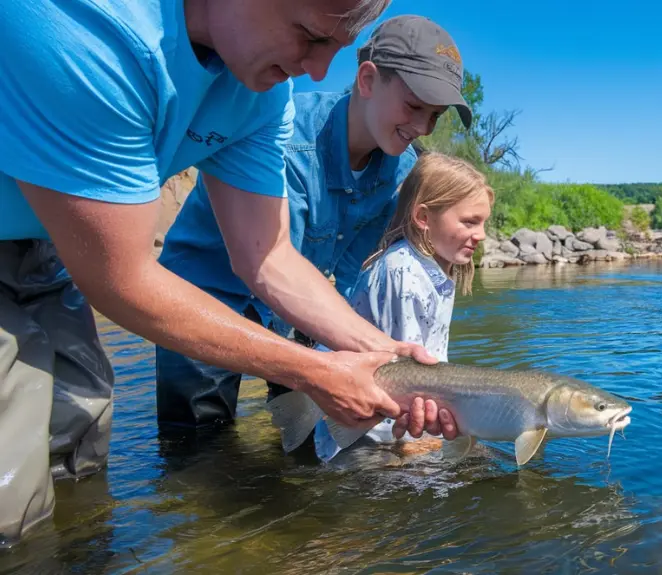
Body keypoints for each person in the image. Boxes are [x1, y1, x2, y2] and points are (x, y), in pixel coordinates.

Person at [0, 0, 444, 546]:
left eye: (335, 46)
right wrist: (315, 373)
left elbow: (269, 257)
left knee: (79, 439)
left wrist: (387, 359)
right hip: (123, 265)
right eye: (308, 35)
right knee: (17, 496)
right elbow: (122, 278)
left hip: (49, 244)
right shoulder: (87, 30)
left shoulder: (264, 92)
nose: (321, 72)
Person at [156, 15, 473, 444]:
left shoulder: (402, 174)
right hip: (206, 294)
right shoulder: (285, 141)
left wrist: (393, 373)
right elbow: (272, 264)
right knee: (200, 444)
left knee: (309, 443)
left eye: (434, 116)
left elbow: (352, 282)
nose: (422, 127)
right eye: (414, 107)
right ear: (367, 80)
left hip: (304, 305)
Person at [313, 152, 494, 463]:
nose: (481, 234)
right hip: (365, 428)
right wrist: (418, 439)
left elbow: (432, 359)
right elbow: (406, 377)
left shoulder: (439, 269)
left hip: (398, 415)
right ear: (423, 218)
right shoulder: (404, 272)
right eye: (469, 222)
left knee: (478, 459)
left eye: (483, 223)